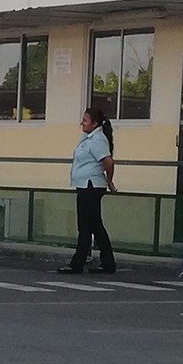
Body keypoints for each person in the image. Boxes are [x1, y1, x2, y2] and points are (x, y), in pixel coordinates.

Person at [61, 108, 117, 275]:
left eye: (85, 120)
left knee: (85, 226)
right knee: (95, 226)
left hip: (91, 186)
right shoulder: (88, 137)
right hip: (86, 185)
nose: (82, 123)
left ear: (95, 123)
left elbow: (108, 161)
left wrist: (109, 180)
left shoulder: (98, 140)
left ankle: (77, 263)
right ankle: (108, 262)